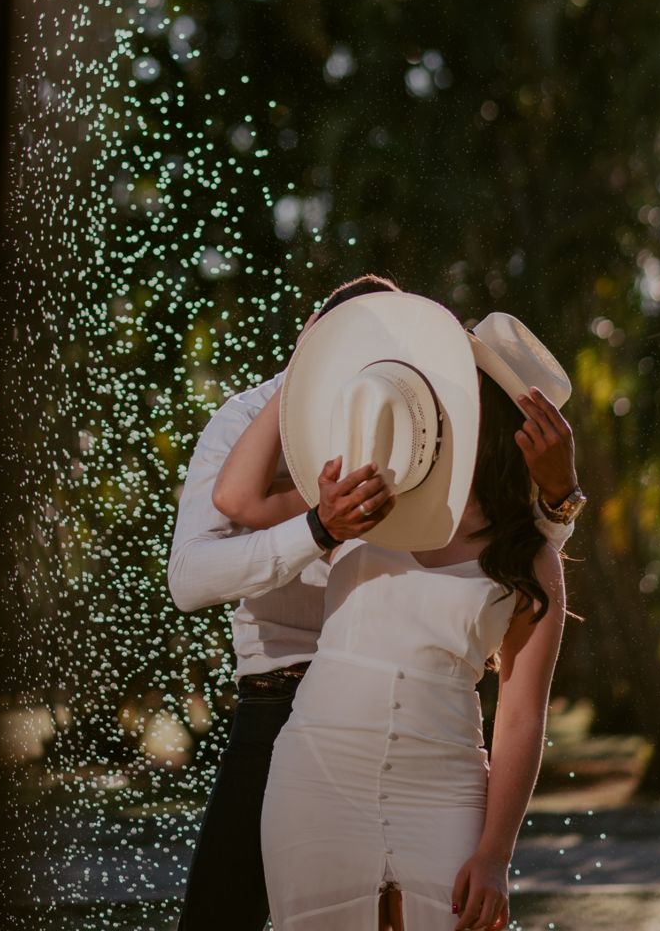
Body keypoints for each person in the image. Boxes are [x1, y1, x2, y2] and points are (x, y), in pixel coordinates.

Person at [167, 275, 584, 931]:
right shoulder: (368, 484)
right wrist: (306, 372)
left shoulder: (508, 539)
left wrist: (496, 855)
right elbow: (229, 516)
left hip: (437, 767)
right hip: (299, 730)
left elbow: (521, 701)